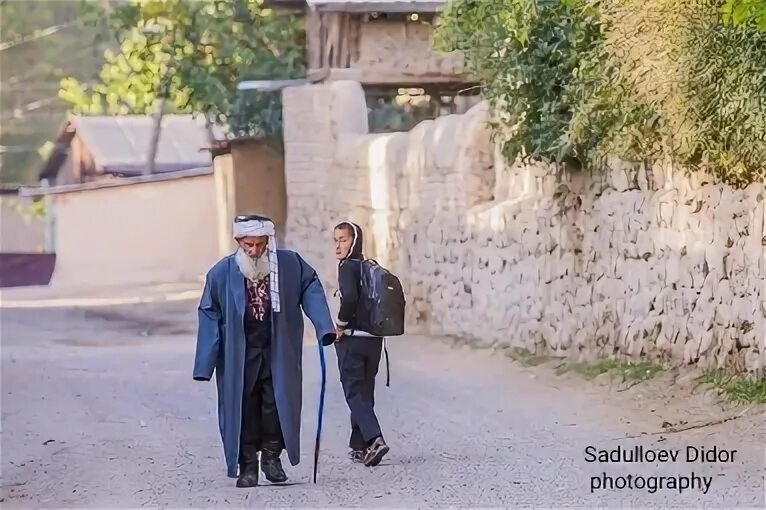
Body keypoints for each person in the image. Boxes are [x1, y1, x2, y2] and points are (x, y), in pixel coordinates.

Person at [194, 214, 337, 488]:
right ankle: (248, 465)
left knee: (276, 404)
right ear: (239, 241)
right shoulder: (222, 273)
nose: (255, 250)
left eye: (260, 244)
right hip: (240, 354)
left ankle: (272, 457)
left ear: (268, 241)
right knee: (244, 407)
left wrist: (324, 326)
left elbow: (310, 287)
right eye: (249, 244)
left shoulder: (289, 264)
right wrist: (205, 363)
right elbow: (209, 312)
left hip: (277, 349)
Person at [332, 221, 390, 467]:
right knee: (364, 392)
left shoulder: (347, 267)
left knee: (353, 392)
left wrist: (340, 325)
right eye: (335, 240)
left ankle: (375, 439)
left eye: (343, 240)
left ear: (355, 241)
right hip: (374, 341)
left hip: (353, 339)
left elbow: (351, 299)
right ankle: (359, 446)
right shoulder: (370, 267)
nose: (338, 246)